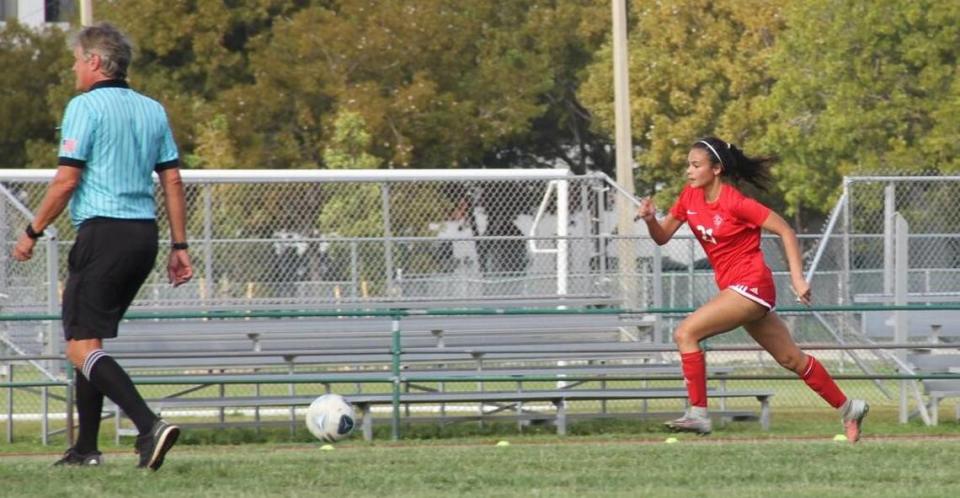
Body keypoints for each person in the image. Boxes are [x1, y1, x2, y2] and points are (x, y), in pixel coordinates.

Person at [11, 23, 193, 469]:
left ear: (94, 61)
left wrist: (32, 230)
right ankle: (85, 449)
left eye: (77, 58)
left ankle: (149, 426)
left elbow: (66, 180)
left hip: (103, 233)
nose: (74, 67)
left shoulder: (84, 106)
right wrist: (179, 245)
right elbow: (171, 178)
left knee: (76, 344)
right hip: (143, 236)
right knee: (88, 342)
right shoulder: (153, 109)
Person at [636, 136, 869, 441]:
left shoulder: (736, 202)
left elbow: (785, 229)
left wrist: (798, 278)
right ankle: (850, 408)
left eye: (696, 165)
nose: (689, 172)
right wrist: (652, 220)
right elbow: (662, 237)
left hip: (751, 285)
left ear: (716, 169)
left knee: (685, 333)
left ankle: (698, 414)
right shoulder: (689, 198)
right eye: (688, 166)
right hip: (736, 288)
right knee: (791, 359)